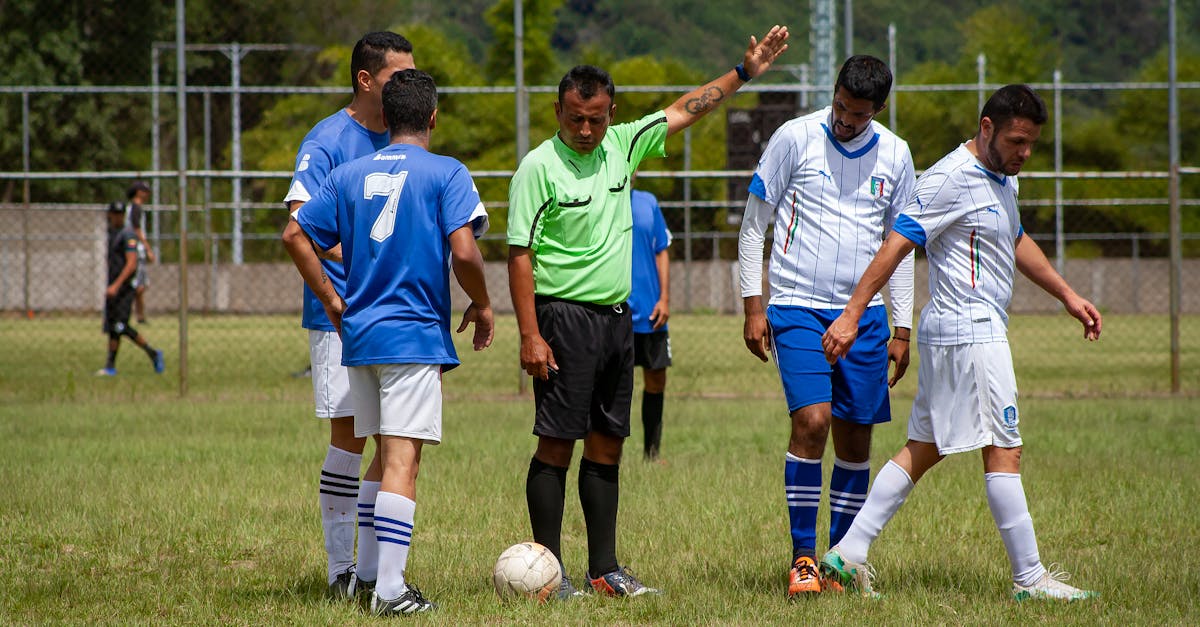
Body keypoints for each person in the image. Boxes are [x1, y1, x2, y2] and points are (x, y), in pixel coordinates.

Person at [506, 25, 790, 599]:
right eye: (574, 119)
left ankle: (604, 570)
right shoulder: (537, 167)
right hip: (562, 319)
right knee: (557, 443)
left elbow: (687, 110)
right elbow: (518, 254)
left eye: (597, 118)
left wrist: (743, 73)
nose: (586, 130)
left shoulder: (623, 144)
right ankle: (548, 575)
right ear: (558, 111)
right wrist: (531, 335)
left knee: (608, 442)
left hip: (618, 321)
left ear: (612, 113)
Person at [819, 84, 1102, 602]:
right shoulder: (950, 177)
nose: (1025, 153)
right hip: (970, 333)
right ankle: (1030, 579)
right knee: (1004, 450)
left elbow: (1015, 238)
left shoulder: (1001, 177)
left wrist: (1067, 294)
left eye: (1032, 143)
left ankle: (846, 555)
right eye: (1017, 141)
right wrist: (852, 313)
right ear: (986, 128)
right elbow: (898, 242)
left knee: (923, 449)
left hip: (963, 332)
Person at [285, 69, 493, 615]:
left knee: (379, 454)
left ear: (390, 114)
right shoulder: (447, 172)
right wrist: (484, 302)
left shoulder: (350, 173)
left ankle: (371, 576)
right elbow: (466, 252)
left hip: (361, 335)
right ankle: (391, 593)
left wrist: (333, 301)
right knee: (403, 460)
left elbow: (295, 234)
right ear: (431, 117)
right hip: (413, 335)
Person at [736, 54, 915, 597]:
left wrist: (902, 328)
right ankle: (804, 559)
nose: (844, 120)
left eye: (857, 115)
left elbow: (902, 247)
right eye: (840, 106)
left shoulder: (897, 154)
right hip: (794, 306)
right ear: (833, 92)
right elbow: (753, 227)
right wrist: (753, 304)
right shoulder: (793, 137)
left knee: (856, 441)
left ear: (877, 110)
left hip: (866, 319)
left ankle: (841, 561)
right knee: (812, 422)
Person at [279, 31, 415, 602]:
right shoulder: (329, 140)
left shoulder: (406, 136)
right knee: (350, 443)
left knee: (395, 449)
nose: (405, 86)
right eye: (395, 77)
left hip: (397, 318)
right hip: (344, 316)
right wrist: (343, 290)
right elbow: (299, 226)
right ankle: (341, 572)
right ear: (365, 80)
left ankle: (372, 576)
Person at [629, 184, 672, 461]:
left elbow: (662, 250)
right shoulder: (601, 197)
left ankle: (651, 454)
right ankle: (608, 453)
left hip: (651, 312)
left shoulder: (648, 201)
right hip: (613, 311)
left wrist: (665, 298)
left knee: (656, 380)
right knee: (611, 384)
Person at [97, 202, 165, 377]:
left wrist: (116, 285)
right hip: (114, 286)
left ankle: (153, 353)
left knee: (120, 326)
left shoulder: (128, 235)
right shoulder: (111, 234)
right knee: (113, 328)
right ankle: (110, 366)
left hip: (124, 288)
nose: (117, 217)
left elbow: (132, 263)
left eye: (120, 214)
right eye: (114, 213)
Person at [122, 181, 156, 324]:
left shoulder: (133, 208)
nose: (147, 194)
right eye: (144, 191)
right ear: (138, 192)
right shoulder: (135, 208)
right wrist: (148, 248)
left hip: (133, 248)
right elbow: (136, 229)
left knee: (140, 286)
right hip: (137, 249)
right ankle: (132, 314)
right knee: (138, 286)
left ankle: (140, 316)